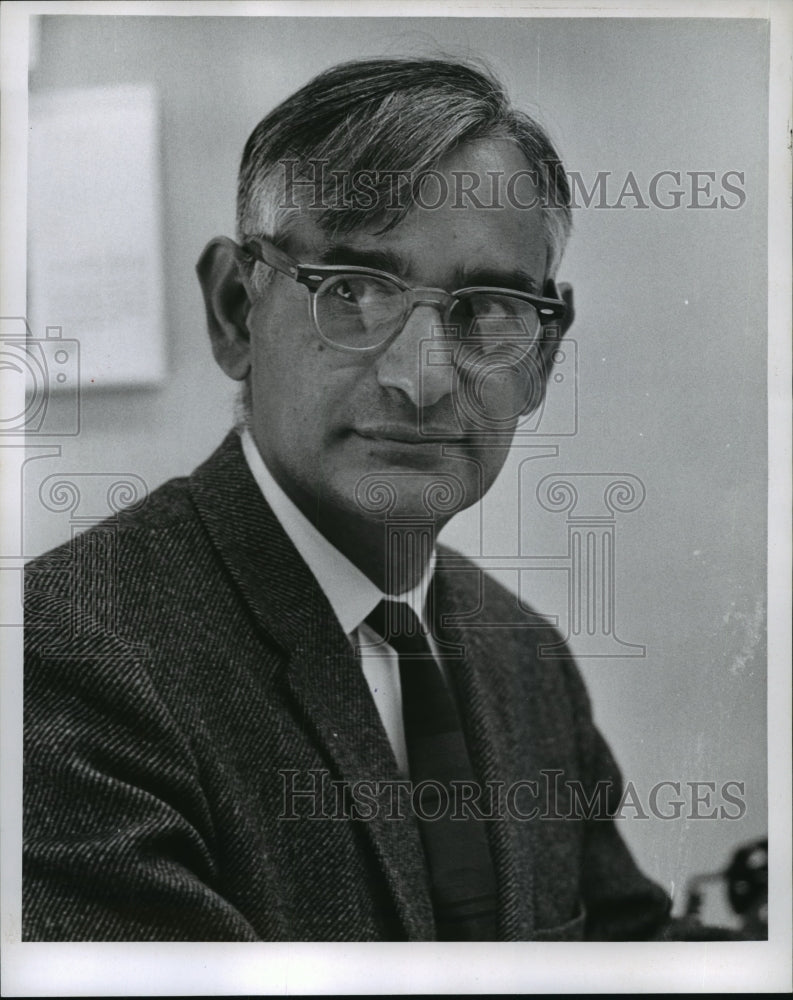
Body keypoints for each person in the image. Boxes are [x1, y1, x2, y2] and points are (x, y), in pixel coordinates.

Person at [23, 57, 713, 942]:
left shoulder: (526, 656)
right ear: (237, 310)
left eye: (486, 308)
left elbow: (627, 950)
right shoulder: (62, 661)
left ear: (538, 358)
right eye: (351, 292)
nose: (422, 379)